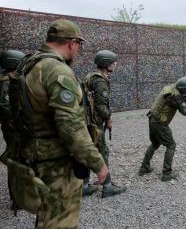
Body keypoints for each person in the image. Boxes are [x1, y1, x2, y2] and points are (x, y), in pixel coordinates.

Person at [8, 19, 109, 228]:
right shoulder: (57, 70)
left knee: (47, 216)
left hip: (33, 152)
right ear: (72, 43)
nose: (79, 51)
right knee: (60, 220)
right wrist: (97, 163)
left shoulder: (28, 63)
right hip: (57, 161)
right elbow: (70, 126)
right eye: (79, 45)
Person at [82, 50, 126, 198]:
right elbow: (101, 106)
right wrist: (108, 118)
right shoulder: (100, 80)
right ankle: (107, 187)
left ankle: (85, 185)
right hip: (94, 123)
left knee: (88, 151)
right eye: (113, 62)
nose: (115, 64)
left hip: (87, 121)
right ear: (107, 64)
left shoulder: (91, 76)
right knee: (102, 151)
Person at [139, 76, 186, 182]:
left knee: (155, 144)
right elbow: (185, 112)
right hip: (159, 123)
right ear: (184, 90)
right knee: (171, 145)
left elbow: (179, 99)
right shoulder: (175, 96)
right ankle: (166, 173)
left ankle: (144, 168)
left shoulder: (171, 89)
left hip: (152, 119)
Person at [0, 49, 25, 210]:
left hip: (13, 127)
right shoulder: (6, 82)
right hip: (12, 129)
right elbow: (5, 106)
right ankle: (17, 199)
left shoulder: (9, 79)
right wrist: (17, 122)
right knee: (15, 161)